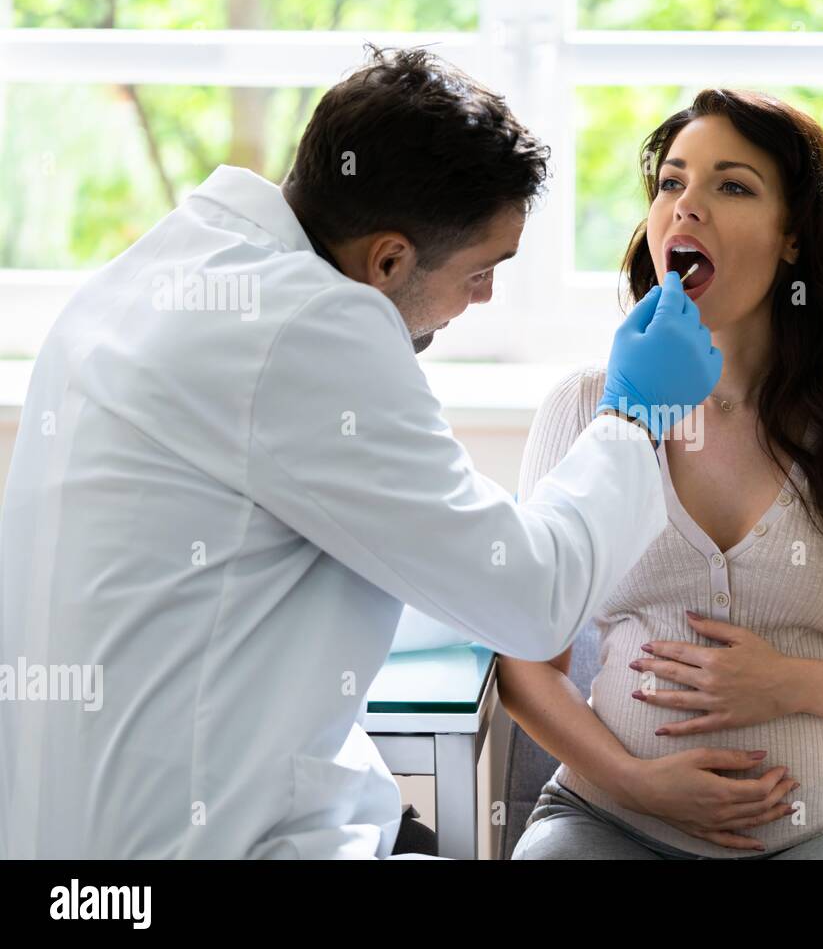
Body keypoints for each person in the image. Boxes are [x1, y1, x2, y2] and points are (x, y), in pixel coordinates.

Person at [0, 47, 720, 859]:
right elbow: (532, 601)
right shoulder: (307, 331)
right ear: (387, 259)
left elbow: (340, 556)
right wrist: (633, 415)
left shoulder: (165, 270)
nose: (482, 300)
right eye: (482, 272)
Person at [500, 88, 823, 860]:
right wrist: (633, 782)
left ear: (793, 238)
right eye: (672, 183)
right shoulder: (585, 406)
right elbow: (524, 665)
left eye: (731, 185)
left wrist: (786, 682)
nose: (686, 208)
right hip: (608, 821)